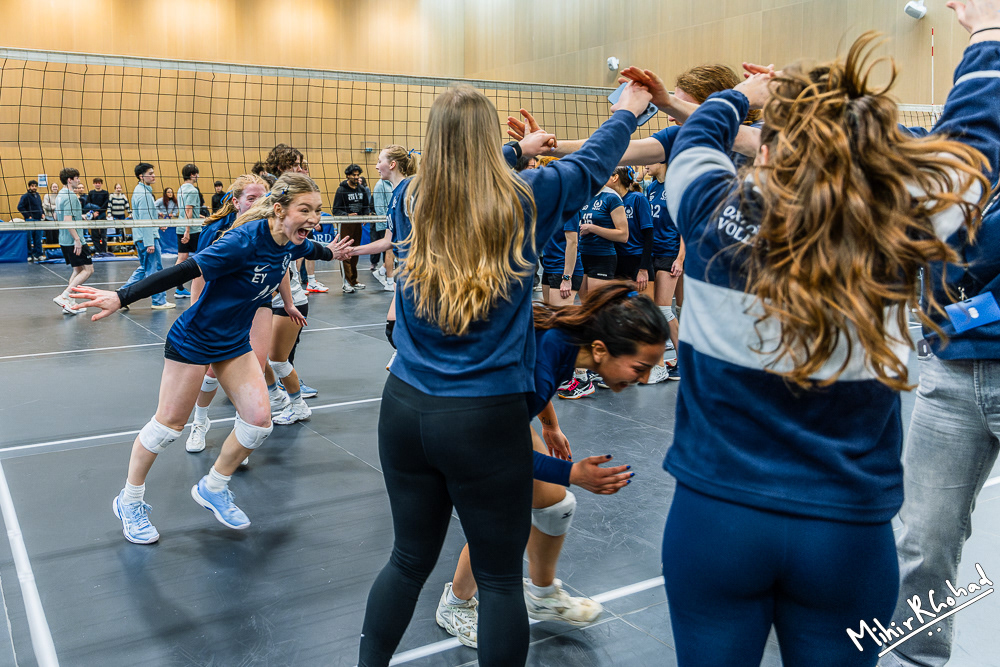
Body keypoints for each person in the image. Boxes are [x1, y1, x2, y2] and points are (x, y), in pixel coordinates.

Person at [657, 25, 996, 667]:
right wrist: (987, 30)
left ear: (768, 146)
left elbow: (698, 137)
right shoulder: (902, 229)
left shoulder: (705, 209)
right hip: (845, 533)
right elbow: (977, 145)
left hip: (716, 518)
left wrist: (742, 93)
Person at [357, 81, 652, 667]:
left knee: (408, 561)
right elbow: (596, 159)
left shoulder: (411, 196)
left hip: (405, 406)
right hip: (482, 415)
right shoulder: (526, 197)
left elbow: (465, 171)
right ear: (491, 142)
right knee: (495, 580)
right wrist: (627, 111)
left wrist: (524, 149)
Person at [68, 173, 352, 544]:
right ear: (279, 210)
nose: (314, 218)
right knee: (168, 427)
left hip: (233, 342)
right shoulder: (241, 240)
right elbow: (184, 270)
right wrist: (123, 297)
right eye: (305, 210)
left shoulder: (288, 241)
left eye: (317, 210)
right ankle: (129, 500)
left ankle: (214, 486)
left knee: (259, 422)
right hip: (195, 339)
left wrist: (337, 252)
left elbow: (311, 249)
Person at [436, 283, 666, 648]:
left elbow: (532, 388)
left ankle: (541, 596)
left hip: (493, 415)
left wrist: (549, 423)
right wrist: (572, 473)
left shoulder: (568, 342)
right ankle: (455, 604)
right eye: (639, 368)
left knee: (555, 505)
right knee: (502, 520)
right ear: (602, 349)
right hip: (455, 423)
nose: (642, 379)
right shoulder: (548, 357)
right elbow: (497, 447)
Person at [879, 4, 1000, 666]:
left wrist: (986, 30)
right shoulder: (959, 151)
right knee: (924, 538)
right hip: (952, 373)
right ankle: (916, 656)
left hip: (971, 342)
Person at [184, 174, 272, 454]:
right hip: (222, 303)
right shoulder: (216, 230)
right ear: (236, 202)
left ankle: (239, 434)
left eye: (264, 198)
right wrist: (194, 307)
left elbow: (279, 267)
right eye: (252, 198)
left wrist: (289, 301)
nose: (259, 203)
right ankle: (199, 422)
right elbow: (198, 271)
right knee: (210, 371)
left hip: (258, 300)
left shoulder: (273, 227)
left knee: (254, 371)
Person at [346, 145, 420, 367]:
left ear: (392, 164)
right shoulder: (395, 193)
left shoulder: (411, 189)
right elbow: (387, 241)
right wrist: (352, 251)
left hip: (417, 270)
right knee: (393, 329)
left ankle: (417, 362)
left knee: (399, 329)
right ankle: (410, 356)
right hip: (405, 270)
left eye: (380, 161)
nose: (377, 166)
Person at [643, 160, 682, 382]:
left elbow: (685, 225)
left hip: (669, 252)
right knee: (660, 310)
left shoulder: (675, 186)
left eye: (649, 160)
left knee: (664, 310)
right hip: (653, 252)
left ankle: (683, 361)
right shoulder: (650, 187)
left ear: (662, 161)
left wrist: (680, 257)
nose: (644, 165)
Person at [121, 163, 173, 310]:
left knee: (145, 269)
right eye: (150, 173)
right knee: (154, 269)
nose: (153, 175)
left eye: (153, 172)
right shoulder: (143, 194)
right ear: (141, 176)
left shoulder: (141, 191)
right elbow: (144, 218)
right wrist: (149, 242)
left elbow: (147, 216)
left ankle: (121, 296)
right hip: (147, 238)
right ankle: (159, 301)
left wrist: (157, 223)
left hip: (143, 236)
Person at [51, 168, 94, 315]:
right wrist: (77, 239)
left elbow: (57, 217)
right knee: (88, 270)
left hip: (64, 239)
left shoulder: (60, 195)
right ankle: (65, 296)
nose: (79, 180)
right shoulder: (71, 196)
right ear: (70, 180)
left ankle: (69, 302)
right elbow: (67, 220)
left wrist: (78, 216)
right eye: (77, 178)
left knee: (78, 270)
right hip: (74, 239)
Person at [332, 163, 373, 293]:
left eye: (357, 175)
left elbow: (366, 206)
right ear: (348, 175)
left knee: (355, 252)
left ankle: (354, 280)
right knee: (345, 252)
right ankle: (346, 282)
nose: (356, 177)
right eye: (354, 175)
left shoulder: (361, 189)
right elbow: (335, 210)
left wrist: (366, 215)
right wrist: (346, 215)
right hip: (346, 224)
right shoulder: (341, 190)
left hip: (357, 224)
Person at [174, 164, 201, 299]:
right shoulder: (192, 190)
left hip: (181, 226)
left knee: (182, 258)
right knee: (203, 257)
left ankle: (178, 288)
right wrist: (188, 231)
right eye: (197, 173)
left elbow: (189, 211)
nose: (198, 176)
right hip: (192, 229)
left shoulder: (181, 189)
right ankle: (201, 288)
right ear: (192, 174)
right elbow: (188, 210)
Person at [370, 156, 397, 289]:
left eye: (380, 162)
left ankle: (381, 271)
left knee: (393, 251)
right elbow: (380, 208)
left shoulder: (394, 184)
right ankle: (390, 282)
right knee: (389, 250)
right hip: (385, 224)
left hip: (394, 223)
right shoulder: (380, 185)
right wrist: (388, 225)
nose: (377, 166)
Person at [17, 179, 44, 262]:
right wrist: (28, 216)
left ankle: (38, 254)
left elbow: (40, 206)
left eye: (35, 186)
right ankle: (29, 255)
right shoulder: (25, 196)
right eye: (32, 186)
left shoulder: (38, 195)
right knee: (29, 239)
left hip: (38, 220)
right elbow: (20, 207)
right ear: (29, 187)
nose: (34, 187)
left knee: (38, 238)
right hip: (30, 221)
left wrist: (42, 213)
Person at [88, 178, 111, 256]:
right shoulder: (91, 193)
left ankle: (103, 251)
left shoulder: (105, 193)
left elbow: (106, 204)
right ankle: (97, 251)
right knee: (95, 234)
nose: (97, 184)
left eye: (99, 183)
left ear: (101, 184)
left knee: (103, 234)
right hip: (93, 215)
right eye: (96, 183)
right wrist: (93, 213)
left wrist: (98, 212)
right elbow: (89, 204)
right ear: (93, 184)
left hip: (102, 214)